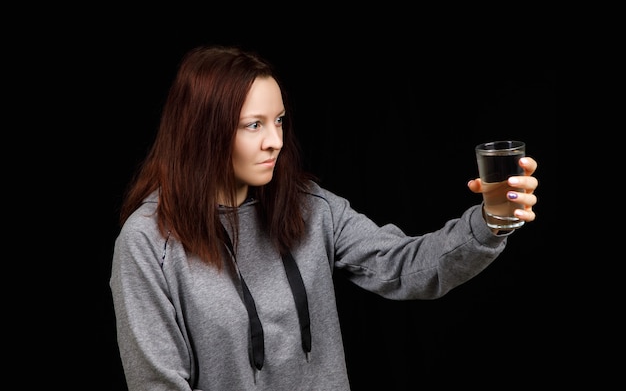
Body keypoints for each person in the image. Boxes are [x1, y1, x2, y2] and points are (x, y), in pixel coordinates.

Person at [110, 45, 539, 391]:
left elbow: (407, 267)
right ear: (202, 129)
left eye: (278, 121)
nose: (275, 141)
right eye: (253, 125)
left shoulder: (308, 206)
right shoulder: (149, 242)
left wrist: (491, 220)